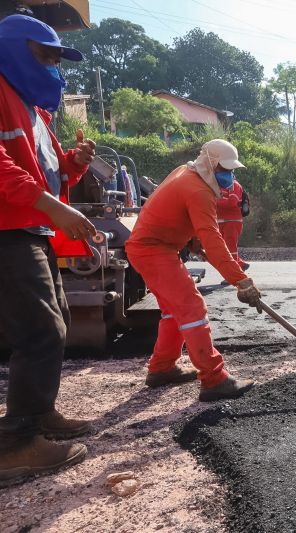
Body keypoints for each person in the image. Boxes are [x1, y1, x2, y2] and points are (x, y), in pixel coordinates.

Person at [0, 14, 97, 487]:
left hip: (31, 227)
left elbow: (49, 173)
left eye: (59, 59)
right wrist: (50, 207)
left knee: (54, 317)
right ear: (14, 50)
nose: (55, 69)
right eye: (46, 55)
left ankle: (40, 414)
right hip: (6, 230)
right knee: (40, 329)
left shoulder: (35, 112)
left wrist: (73, 164)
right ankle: (16, 445)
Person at [125, 139, 262, 402]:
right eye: (225, 170)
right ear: (210, 165)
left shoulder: (185, 172)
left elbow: (182, 219)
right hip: (154, 249)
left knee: (173, 310)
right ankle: (214, 379)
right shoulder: (198, 190)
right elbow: (214, 240)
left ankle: (162, 368)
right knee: (192, 307)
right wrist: (241, 281)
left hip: (153, 247)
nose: (229, 176)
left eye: (232, 171)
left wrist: (193, 241)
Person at [215, 177, 249, 271]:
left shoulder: (234, 185)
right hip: (220, 222)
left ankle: (233, 272)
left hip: (232, 222)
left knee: (230, 249)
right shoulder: (217, 185)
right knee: (223, 249)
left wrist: (214, 201)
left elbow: (232, 202)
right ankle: (240, 264)